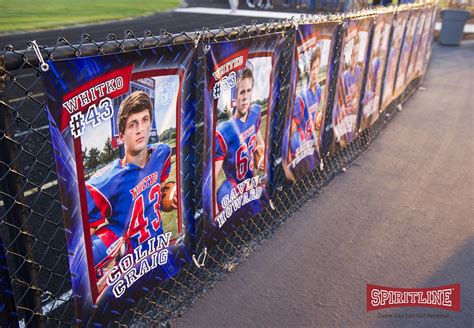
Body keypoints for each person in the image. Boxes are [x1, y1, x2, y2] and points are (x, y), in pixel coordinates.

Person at [85, 91, 177, 278]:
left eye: (145, 120)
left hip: (157, 248)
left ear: (151, 124)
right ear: (121, 135)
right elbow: (85, 238)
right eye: (132, 124)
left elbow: (157, 193)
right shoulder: (108, 180)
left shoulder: (162, 154)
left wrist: (167, 198)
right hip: (130, 264)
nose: (140, 129)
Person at [214, 66, 265, 214]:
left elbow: (259, 142)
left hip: (252, 185)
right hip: (234, 192)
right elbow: (211, 179)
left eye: (248, 91)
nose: (245, 97)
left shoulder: (255, 113)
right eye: (241, 92)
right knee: (224, 192)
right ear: (234, 96)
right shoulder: (225, 131)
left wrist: (260, 153)